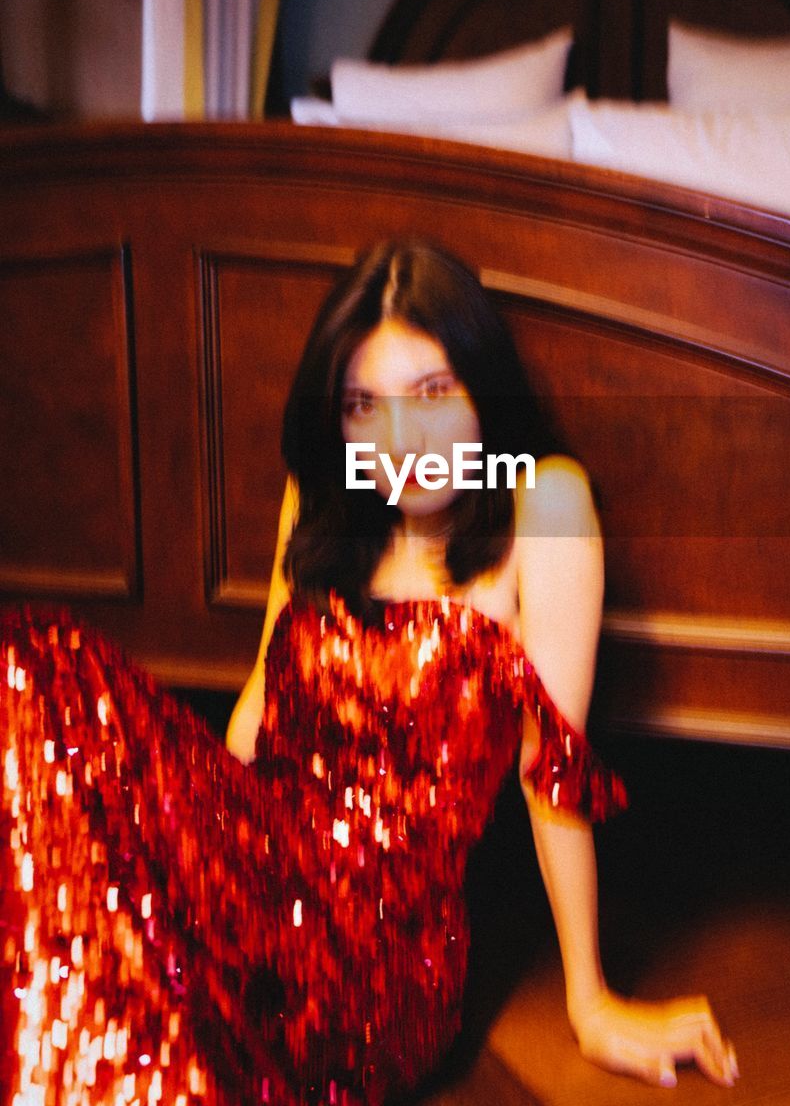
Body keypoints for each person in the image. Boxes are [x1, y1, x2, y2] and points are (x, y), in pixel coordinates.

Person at [0, 239, 737, 1105]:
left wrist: (591, 999)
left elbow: (553, 779)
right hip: (256, 863)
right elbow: (255, 716)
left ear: (483, 390)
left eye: (431, 394)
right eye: (363, 406)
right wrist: (172, 843)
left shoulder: (547, 505)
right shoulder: (319, 498)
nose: (399, 442)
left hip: (377, 953)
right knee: (30, 665)